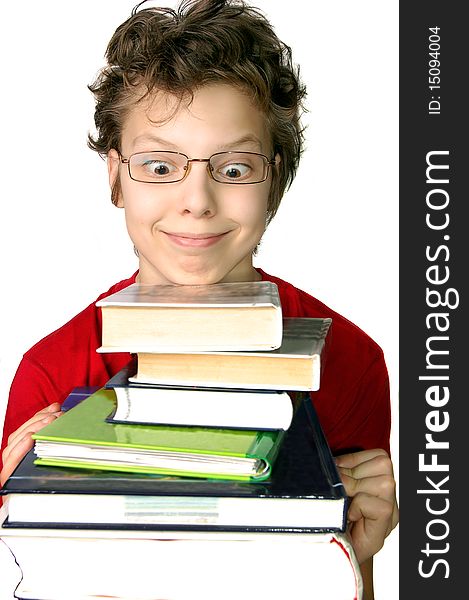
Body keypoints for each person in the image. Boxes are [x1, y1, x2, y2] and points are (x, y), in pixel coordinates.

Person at [0, 0, 398, 597]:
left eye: (234, 169)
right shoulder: (52, 369)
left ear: (275, 177)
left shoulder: (348, 359)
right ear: (115, 176)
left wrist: (354, 555)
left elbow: (345, 585)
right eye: (159, 165)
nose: (197, 201)